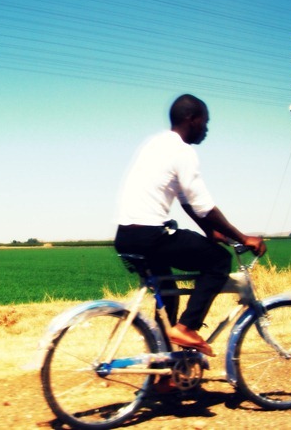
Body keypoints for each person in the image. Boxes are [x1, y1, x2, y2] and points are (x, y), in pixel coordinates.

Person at [114, 94, 266, 357]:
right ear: (192, 119)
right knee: (219, 260)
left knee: (168, 293)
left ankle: (163, 368)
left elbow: (186, 201)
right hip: (151, 235)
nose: (206, 129)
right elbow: (204, 206)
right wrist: (243, 237)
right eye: (205, 122)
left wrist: (209, 231)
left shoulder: (156, 144)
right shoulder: (182, 151)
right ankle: (187, 327)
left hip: (127, 236)